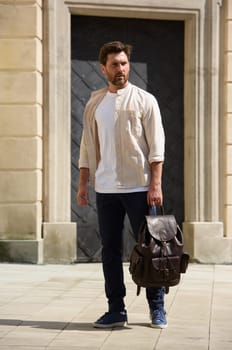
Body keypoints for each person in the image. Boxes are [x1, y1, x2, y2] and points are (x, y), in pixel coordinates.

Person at [77, 41, 167, 329]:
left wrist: (155, 185)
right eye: (115, 64)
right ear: (103, 68)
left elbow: (157, 148)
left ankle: (157, 309)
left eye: (124, 63)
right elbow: (86, 146)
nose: (121, 69)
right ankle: (116, 309)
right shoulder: (94, 103)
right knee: (111, 251)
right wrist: (83, 184)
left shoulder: (145, 100)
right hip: (105, 190)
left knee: (151, 250)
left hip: (139, 188)